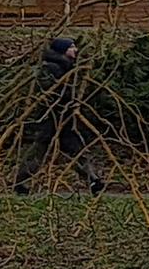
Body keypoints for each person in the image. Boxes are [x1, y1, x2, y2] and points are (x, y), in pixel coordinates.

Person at [10, 31, 107, 194]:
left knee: (75, 149)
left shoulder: (67, 67)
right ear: (63, 50)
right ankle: (21, 183)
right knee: (40, 150)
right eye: (71, 47)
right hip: (51, 117)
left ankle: (93, 180)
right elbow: (50, 93)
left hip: (65, 116)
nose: (75, 50)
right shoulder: (51, 68)